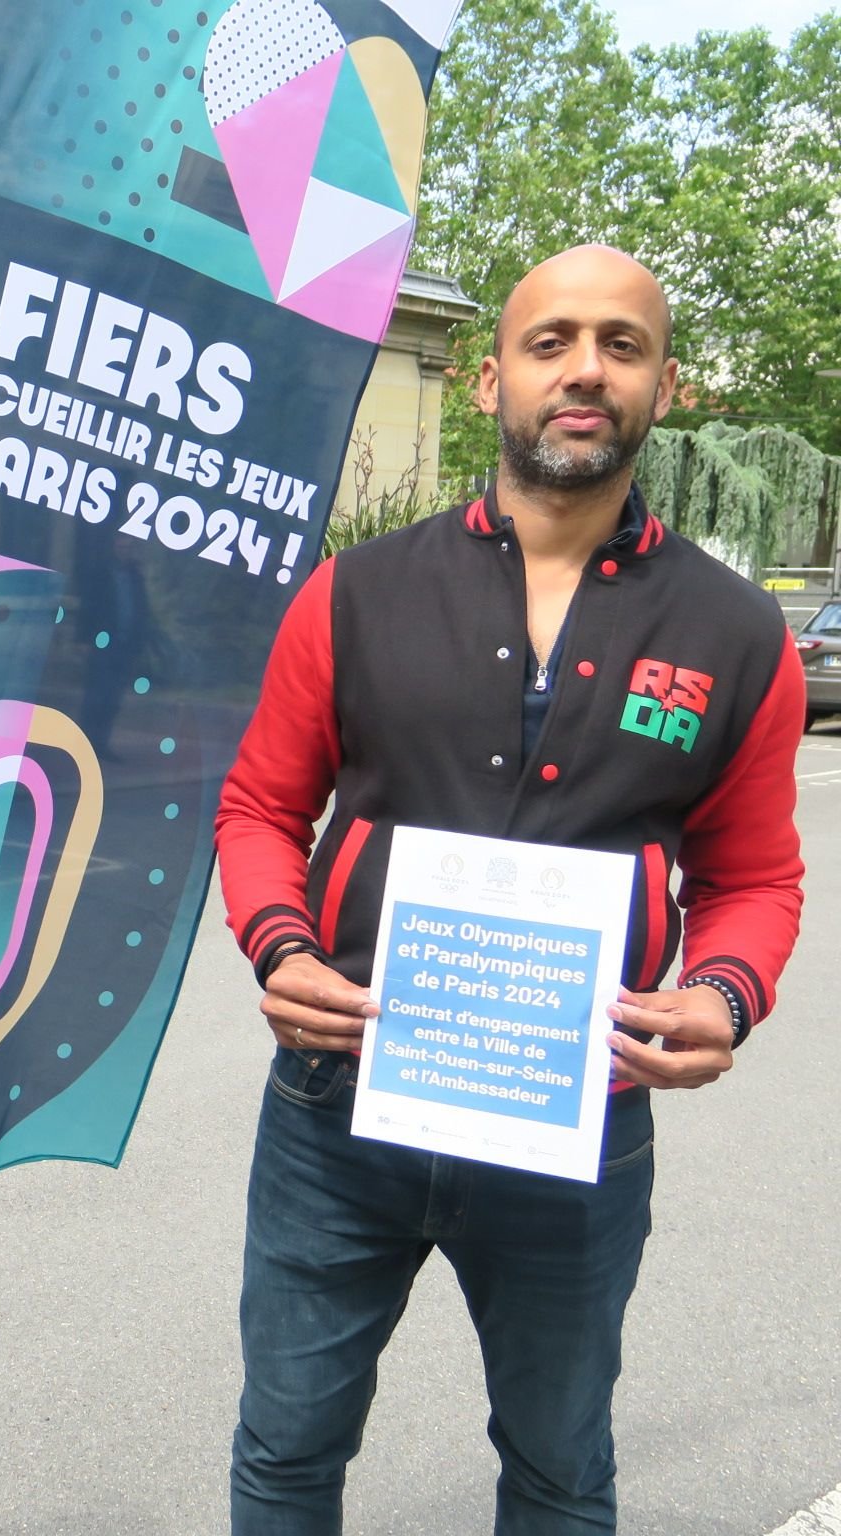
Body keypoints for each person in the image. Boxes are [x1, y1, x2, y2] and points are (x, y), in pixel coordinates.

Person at [213, 245, 804, 1534]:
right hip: (339, 1106)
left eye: (620, 344)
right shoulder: (353, 594)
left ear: (668, 387)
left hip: (575, 1118)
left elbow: (753, 876)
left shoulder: (733, 632)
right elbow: (260, 807)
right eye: (549, 342)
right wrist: (279, 949)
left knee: (556, 1466)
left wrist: (719, 992)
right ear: (490, 380)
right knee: (286, 1449)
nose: (582, 369)